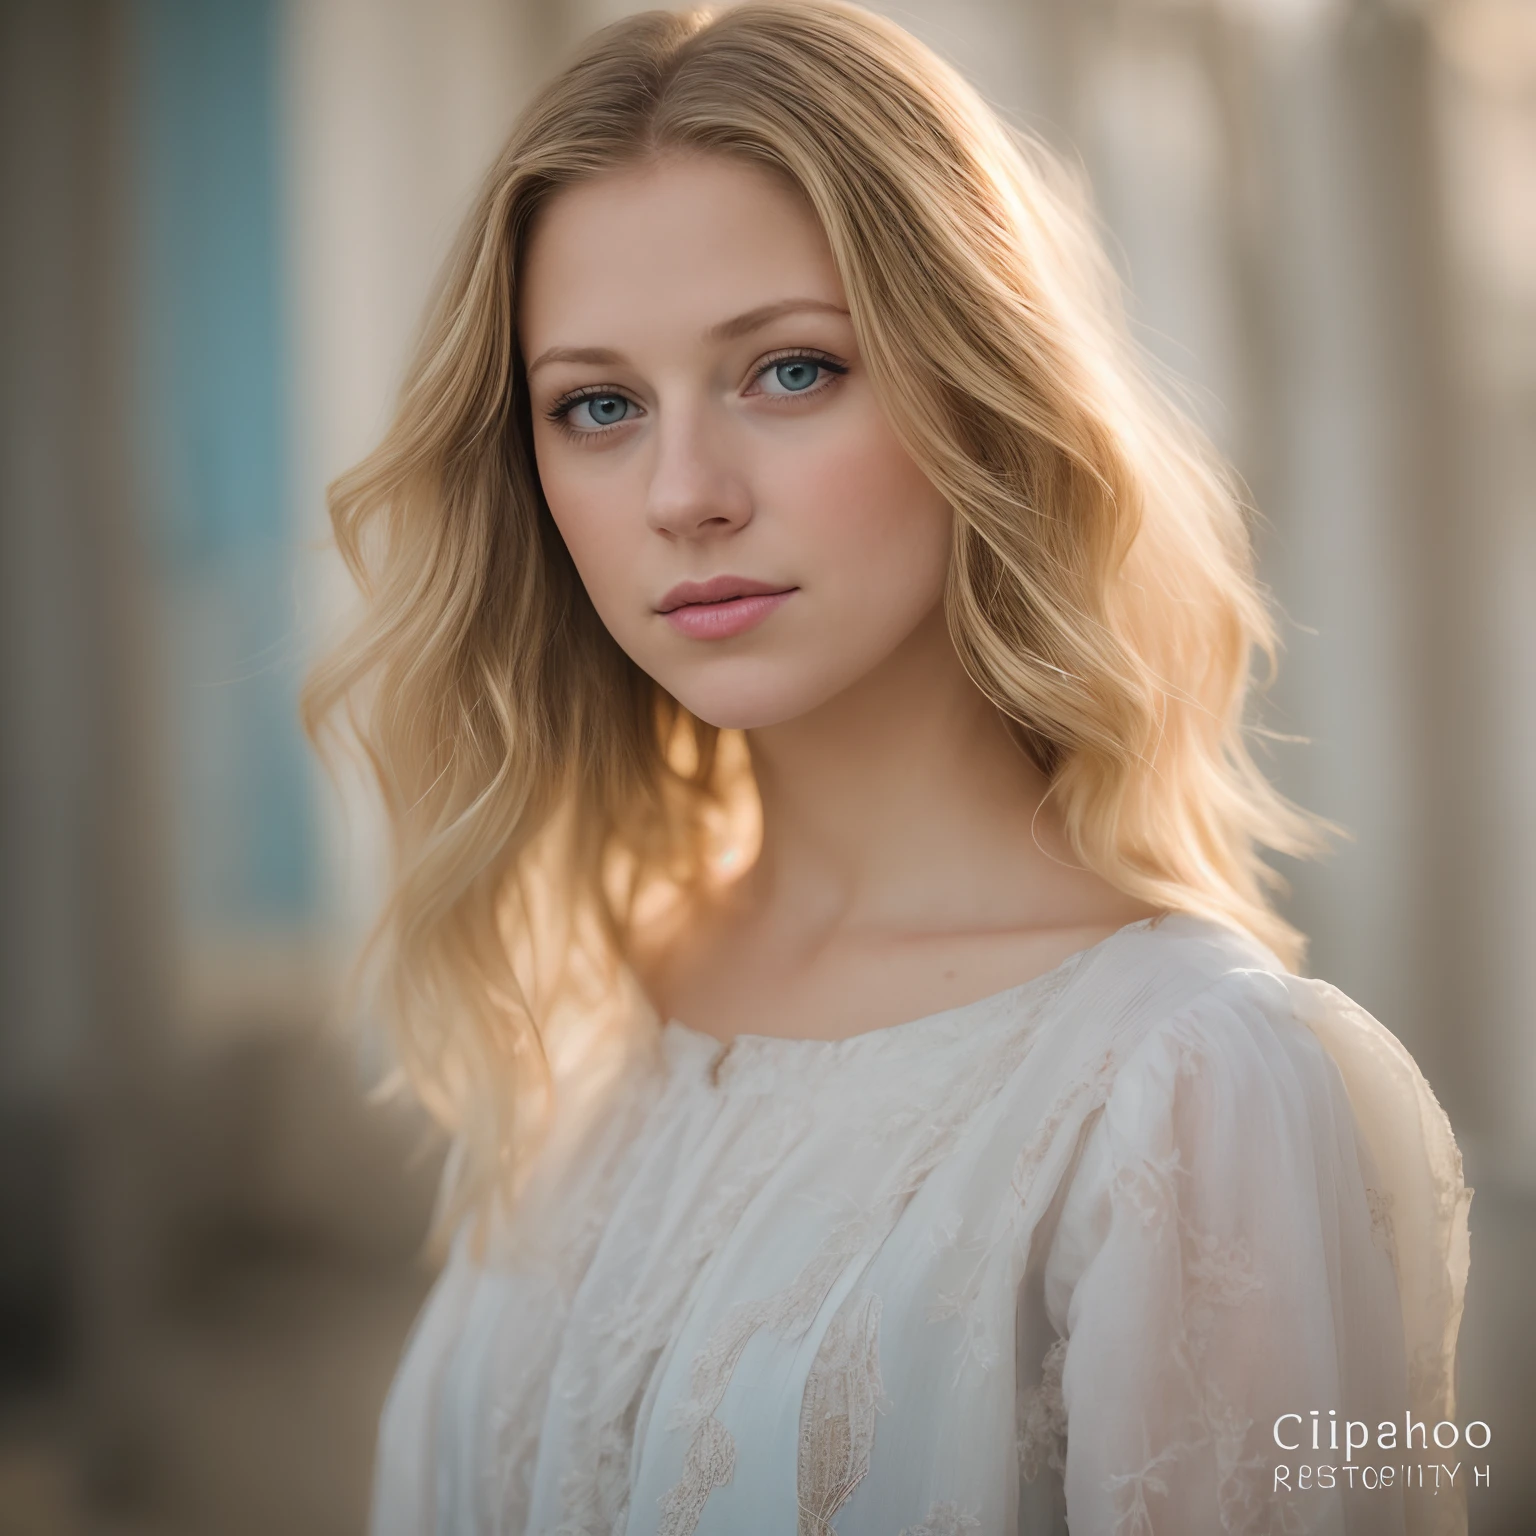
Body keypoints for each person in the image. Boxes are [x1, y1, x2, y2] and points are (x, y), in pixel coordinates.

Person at [301, 3, 1472, 1531]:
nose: (684, 494)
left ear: (978, 388)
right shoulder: (602, 997)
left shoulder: (1188, 1087)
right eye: (597, 405)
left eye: (789, 372)